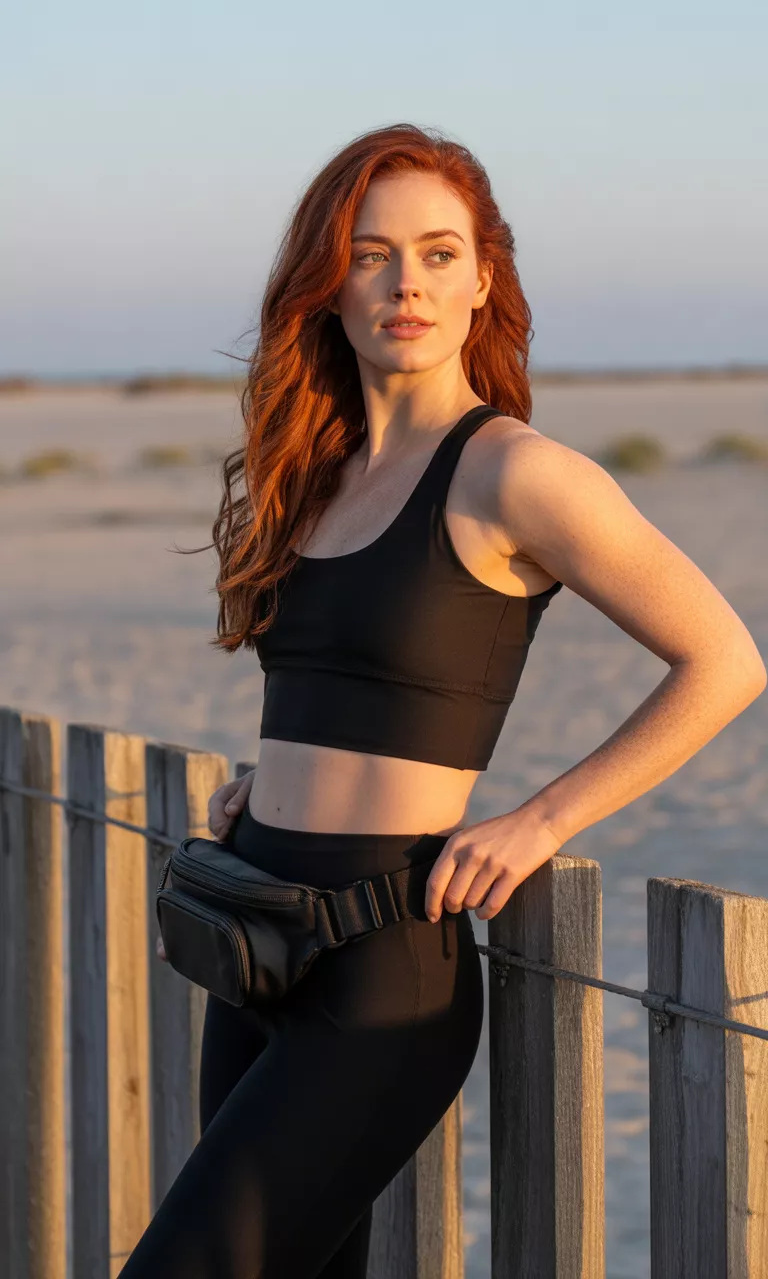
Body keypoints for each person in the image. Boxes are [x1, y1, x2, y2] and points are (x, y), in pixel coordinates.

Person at [122, 122, 766, 1278]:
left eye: (435, 253)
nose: (404, 283)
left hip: (383, 971)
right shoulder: (315, 478)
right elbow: (338, 688)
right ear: (329, 285)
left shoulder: (518, 472)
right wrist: (279, 776)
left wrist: (541, 821)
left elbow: (724, 661)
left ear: (483, 282)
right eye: (370, 254)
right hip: (252, 936)